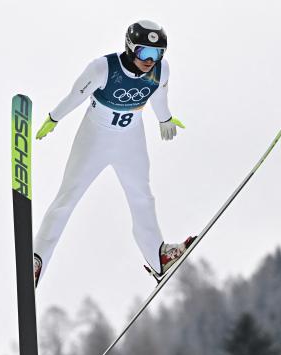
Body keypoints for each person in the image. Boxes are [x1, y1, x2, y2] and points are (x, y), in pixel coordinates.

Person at [32, 20, 195, 287]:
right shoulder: (102, 68)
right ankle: (36, 259)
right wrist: (54, 117)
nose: (150, 60)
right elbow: (75, 95)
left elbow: (159, 98)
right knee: (67, 197)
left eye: (158, 54)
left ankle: (158, 257)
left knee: (142, 196)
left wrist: (165, 119)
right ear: (131, 48)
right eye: (145, 53)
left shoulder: (161, 71)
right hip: (95, 137)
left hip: (131, 139)